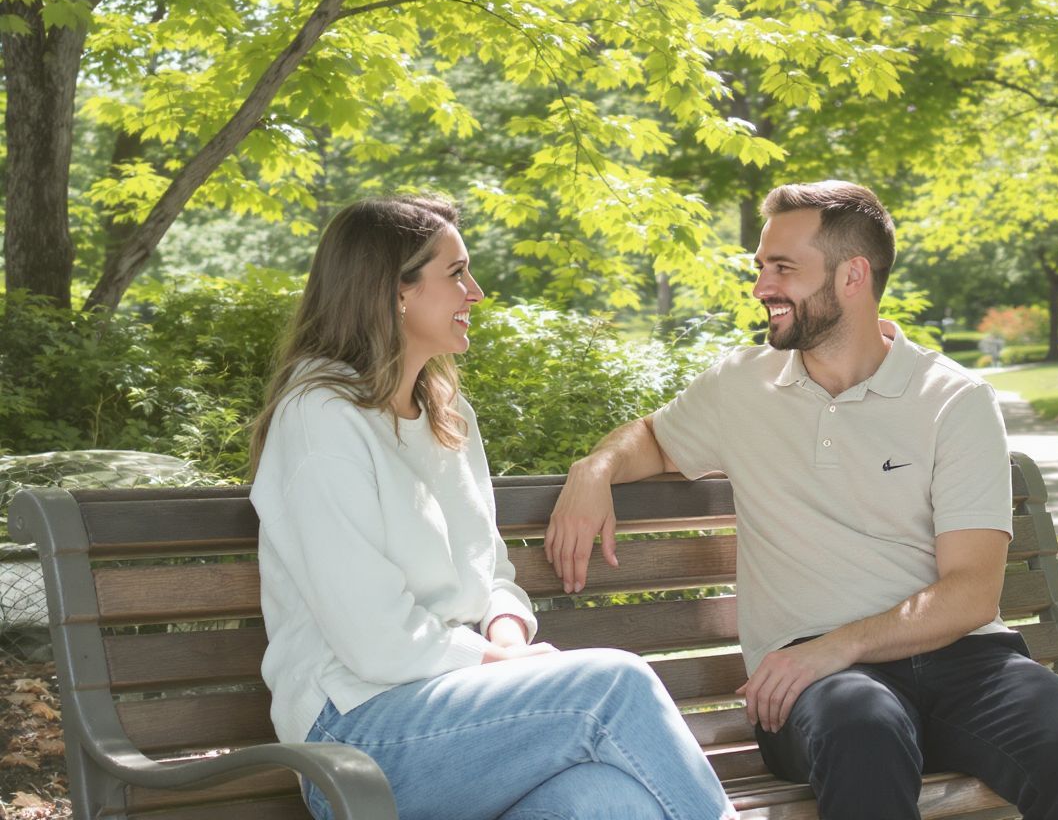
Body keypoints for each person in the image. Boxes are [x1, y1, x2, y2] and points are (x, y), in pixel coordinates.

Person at [546, 181, 1058, 819]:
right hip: (816, 683)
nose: (761, 286)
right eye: (761, 267)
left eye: (783, 268)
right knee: (864, 733)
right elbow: (653, 439)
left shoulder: (953, 400)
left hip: (963, 662)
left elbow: (972, 592)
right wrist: (595, 468)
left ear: (853, 276)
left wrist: (843, 643)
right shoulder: (740, 386)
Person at [249, 195, 736, 820]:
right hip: (355, 738)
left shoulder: (447, 414)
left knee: (607, 800)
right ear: (395, 292)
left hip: (461, 713)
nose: (475, 292)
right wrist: (500, 662)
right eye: (456, 274)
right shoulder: (319, 419)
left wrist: (506, 633)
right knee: (614, 684)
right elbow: (373, 638)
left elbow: (490, 573)